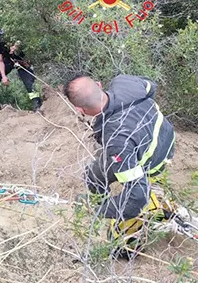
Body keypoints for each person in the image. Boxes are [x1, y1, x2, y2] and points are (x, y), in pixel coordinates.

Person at [64, 74, 176, 259]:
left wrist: (101, 212)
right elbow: (152, 87)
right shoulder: (125, 81)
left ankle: (130, 244)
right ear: (99, 85)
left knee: (120, 230)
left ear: (79, 109)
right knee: (93, 175)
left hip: (153, 161)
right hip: (165, 136)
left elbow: (138, 194)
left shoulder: (117, 140)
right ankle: (105, 201)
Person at [0, 30, 42, 112]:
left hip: (21, 61)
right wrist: (3, 76)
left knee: (28, 80)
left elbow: (29, 57)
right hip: (8, 61)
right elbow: (0, 61)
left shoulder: (20, 40)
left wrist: (18, 55)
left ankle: (37, 103)